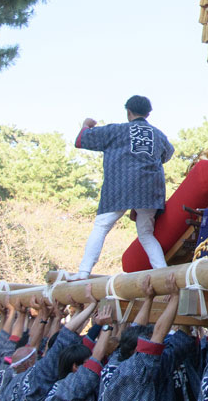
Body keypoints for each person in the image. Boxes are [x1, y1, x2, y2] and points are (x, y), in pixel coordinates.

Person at [71, 95, 174, 279]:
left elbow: (81, 140)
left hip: (120, 186)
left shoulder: (115, 131)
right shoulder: (158, 135)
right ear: (148, 113)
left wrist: (86, 124)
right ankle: (162, 273)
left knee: (101, 227)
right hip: (150, 190)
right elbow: (167, 155)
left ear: (128, 112)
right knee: (146, 234)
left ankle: (84, 272)